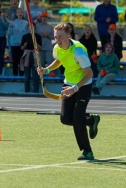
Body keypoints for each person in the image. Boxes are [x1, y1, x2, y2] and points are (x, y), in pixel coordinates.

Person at [36, 23, 101, 161]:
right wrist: (46, 70)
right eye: (55, 37)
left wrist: (75, 88)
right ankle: (91, 120)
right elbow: (59, 60)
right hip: (69, 84)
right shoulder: (57, 48)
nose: (57, 40)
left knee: (77, 118)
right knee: (65, 119)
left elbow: (89, 74)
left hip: (83, 86)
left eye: (60, 37)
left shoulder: (78, 51)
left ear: (68, 36)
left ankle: (87, 151)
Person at [7, 7, 29, 75]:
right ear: (16, 14)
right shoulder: (12, 22)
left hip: (22, 45)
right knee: (15, 61)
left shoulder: (26, 23)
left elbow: (27, 34)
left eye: (21, 12)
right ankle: (15, 76)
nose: (20, 13)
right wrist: (10, 26)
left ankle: (22, 75)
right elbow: (10, 33)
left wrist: (25, 43)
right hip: (14, 44)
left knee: (22, 61)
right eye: (18, 12)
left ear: (23, 14)